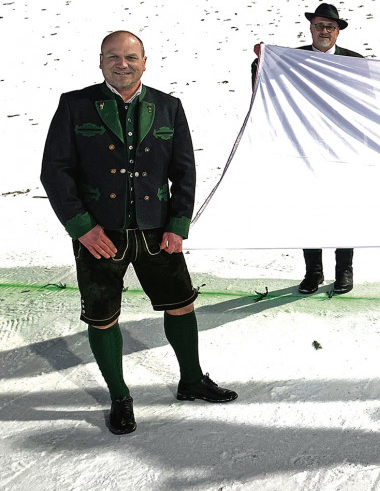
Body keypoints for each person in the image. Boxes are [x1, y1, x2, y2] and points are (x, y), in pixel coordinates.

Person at [41, 31, 238, 436]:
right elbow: (55, 171)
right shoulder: (75, 105)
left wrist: (179, 224)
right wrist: (82, 228)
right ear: (101, 61)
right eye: (113, 57)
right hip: (100, 234)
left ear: (144, 61)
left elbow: (185, 171)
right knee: (102, 318)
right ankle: (119, 396)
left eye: (131, 57)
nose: (122, 64)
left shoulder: (168, 107)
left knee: (181, 304)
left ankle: (192, 380)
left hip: (157, 232)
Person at [251, 2, 363, 295]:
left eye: (330, 27)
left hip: (343, 149)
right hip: (304, 146)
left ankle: (344, 269)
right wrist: (261, 61)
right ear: (311, 28)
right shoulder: (291, 59)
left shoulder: (356, 61)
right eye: (319, 26)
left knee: (344, 209)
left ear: (338, 32)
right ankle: (313, 271)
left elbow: (367, 103)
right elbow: (264, 87)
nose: (324, 31)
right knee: (309, 209)